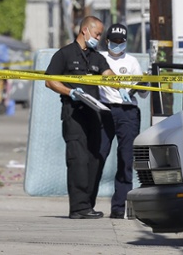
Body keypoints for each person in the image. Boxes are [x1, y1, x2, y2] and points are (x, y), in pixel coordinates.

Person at [45, 16, 115, 219]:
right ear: (85, 30)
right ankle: (78, 208)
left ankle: (88, 206)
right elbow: (50, 80)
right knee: (78, 160)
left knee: (94, 159)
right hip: (74, 114)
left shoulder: (97, 57)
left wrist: (121, 83)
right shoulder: (64, 54)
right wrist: (69, 92)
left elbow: (108, 74)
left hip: (94, 114)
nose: (99, 38)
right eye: (97, 34)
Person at [99, 23, 149, 219]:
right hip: (105, 108)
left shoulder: (133, 62)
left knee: (126, 158)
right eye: (114, 41)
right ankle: (86, 204)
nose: (117, 45)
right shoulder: (100, 59)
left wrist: (142, 84)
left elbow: (144, 92)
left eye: (121, 41)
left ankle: (119, 207)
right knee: (98, 154)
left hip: (128, 111)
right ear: (107, 41)